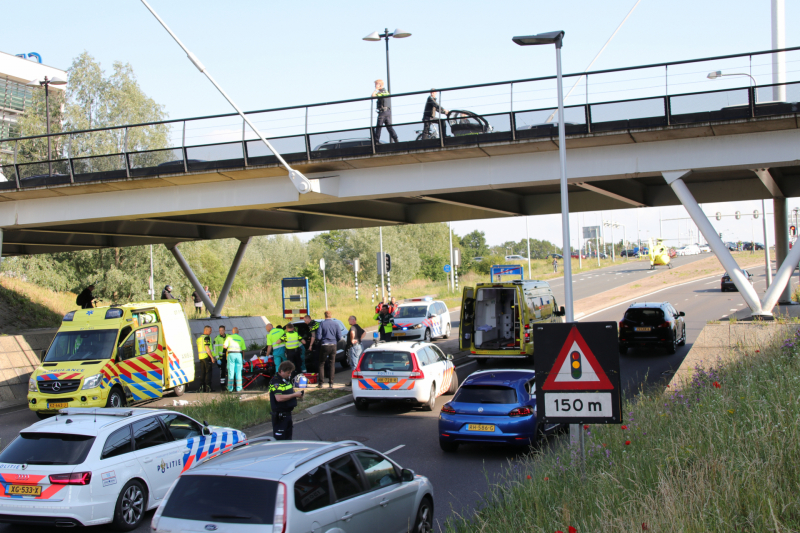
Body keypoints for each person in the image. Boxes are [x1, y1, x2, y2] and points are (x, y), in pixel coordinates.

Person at [268, 360, 304, 440]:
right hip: (280, 416)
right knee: (280, 441)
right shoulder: (276, 382)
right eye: (288, 373)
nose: (290, 375)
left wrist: (297, 395)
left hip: (287, 415)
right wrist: (294, 395)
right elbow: (279, 398)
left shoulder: (286, 380)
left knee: (288, 439)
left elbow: (288, 393)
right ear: (281, 371)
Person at [317, 311, 343, 389]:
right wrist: (334, 341)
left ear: (324, 316)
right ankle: (331, 383)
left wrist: (322, 340)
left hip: (325, 345)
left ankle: (321, 383)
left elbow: (318, 337)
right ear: (331, 316)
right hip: (333, 345)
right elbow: (339, 336)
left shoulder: (322, 324)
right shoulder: (335, 324)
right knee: (332, 363)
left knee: (322, 363)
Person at [372, 79, 398, 143]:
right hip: (388, 112)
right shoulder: (386, 91)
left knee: (379, 127)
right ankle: (396, 140)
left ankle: (376, 142)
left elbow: (373, 96)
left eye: (376, 85)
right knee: (389, 127)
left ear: (380, 85)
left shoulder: (381, 92)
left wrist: (376, 89)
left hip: (383, 112)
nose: (375, 86)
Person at [224, 327, 246, 392]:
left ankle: (230, 389)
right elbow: (243, 350)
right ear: (238, 331)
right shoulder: (241, 338)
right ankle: (239, 388)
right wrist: (243, 358)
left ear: (232, 331)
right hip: (239, 355)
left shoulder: (229, 338)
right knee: (239, 372)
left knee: (231, 372)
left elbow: (224, 346)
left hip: (231, 355)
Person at [346, 315, 365, 385]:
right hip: (359, 346)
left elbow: (352, 332)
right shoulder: (358, 326)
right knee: (358, 363)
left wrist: (352, 340)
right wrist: (360, 339)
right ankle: (358, 379)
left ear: (353, 320)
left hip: (354, 347)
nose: (348, 320)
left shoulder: (353, 327)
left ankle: (354, 381)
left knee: (354, 364)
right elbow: (364, 332)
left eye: (349, 319)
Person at [196, 325, 216, 392]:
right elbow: (207, 348)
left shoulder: (199, 338)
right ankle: (208, 388)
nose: (210, 332)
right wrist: (212, 357)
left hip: (201, 357)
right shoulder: (206, 338)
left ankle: (202, 388)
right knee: (208, 373)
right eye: (210, 331)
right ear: (206, 330)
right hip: (206, 357)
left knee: (203, 373)